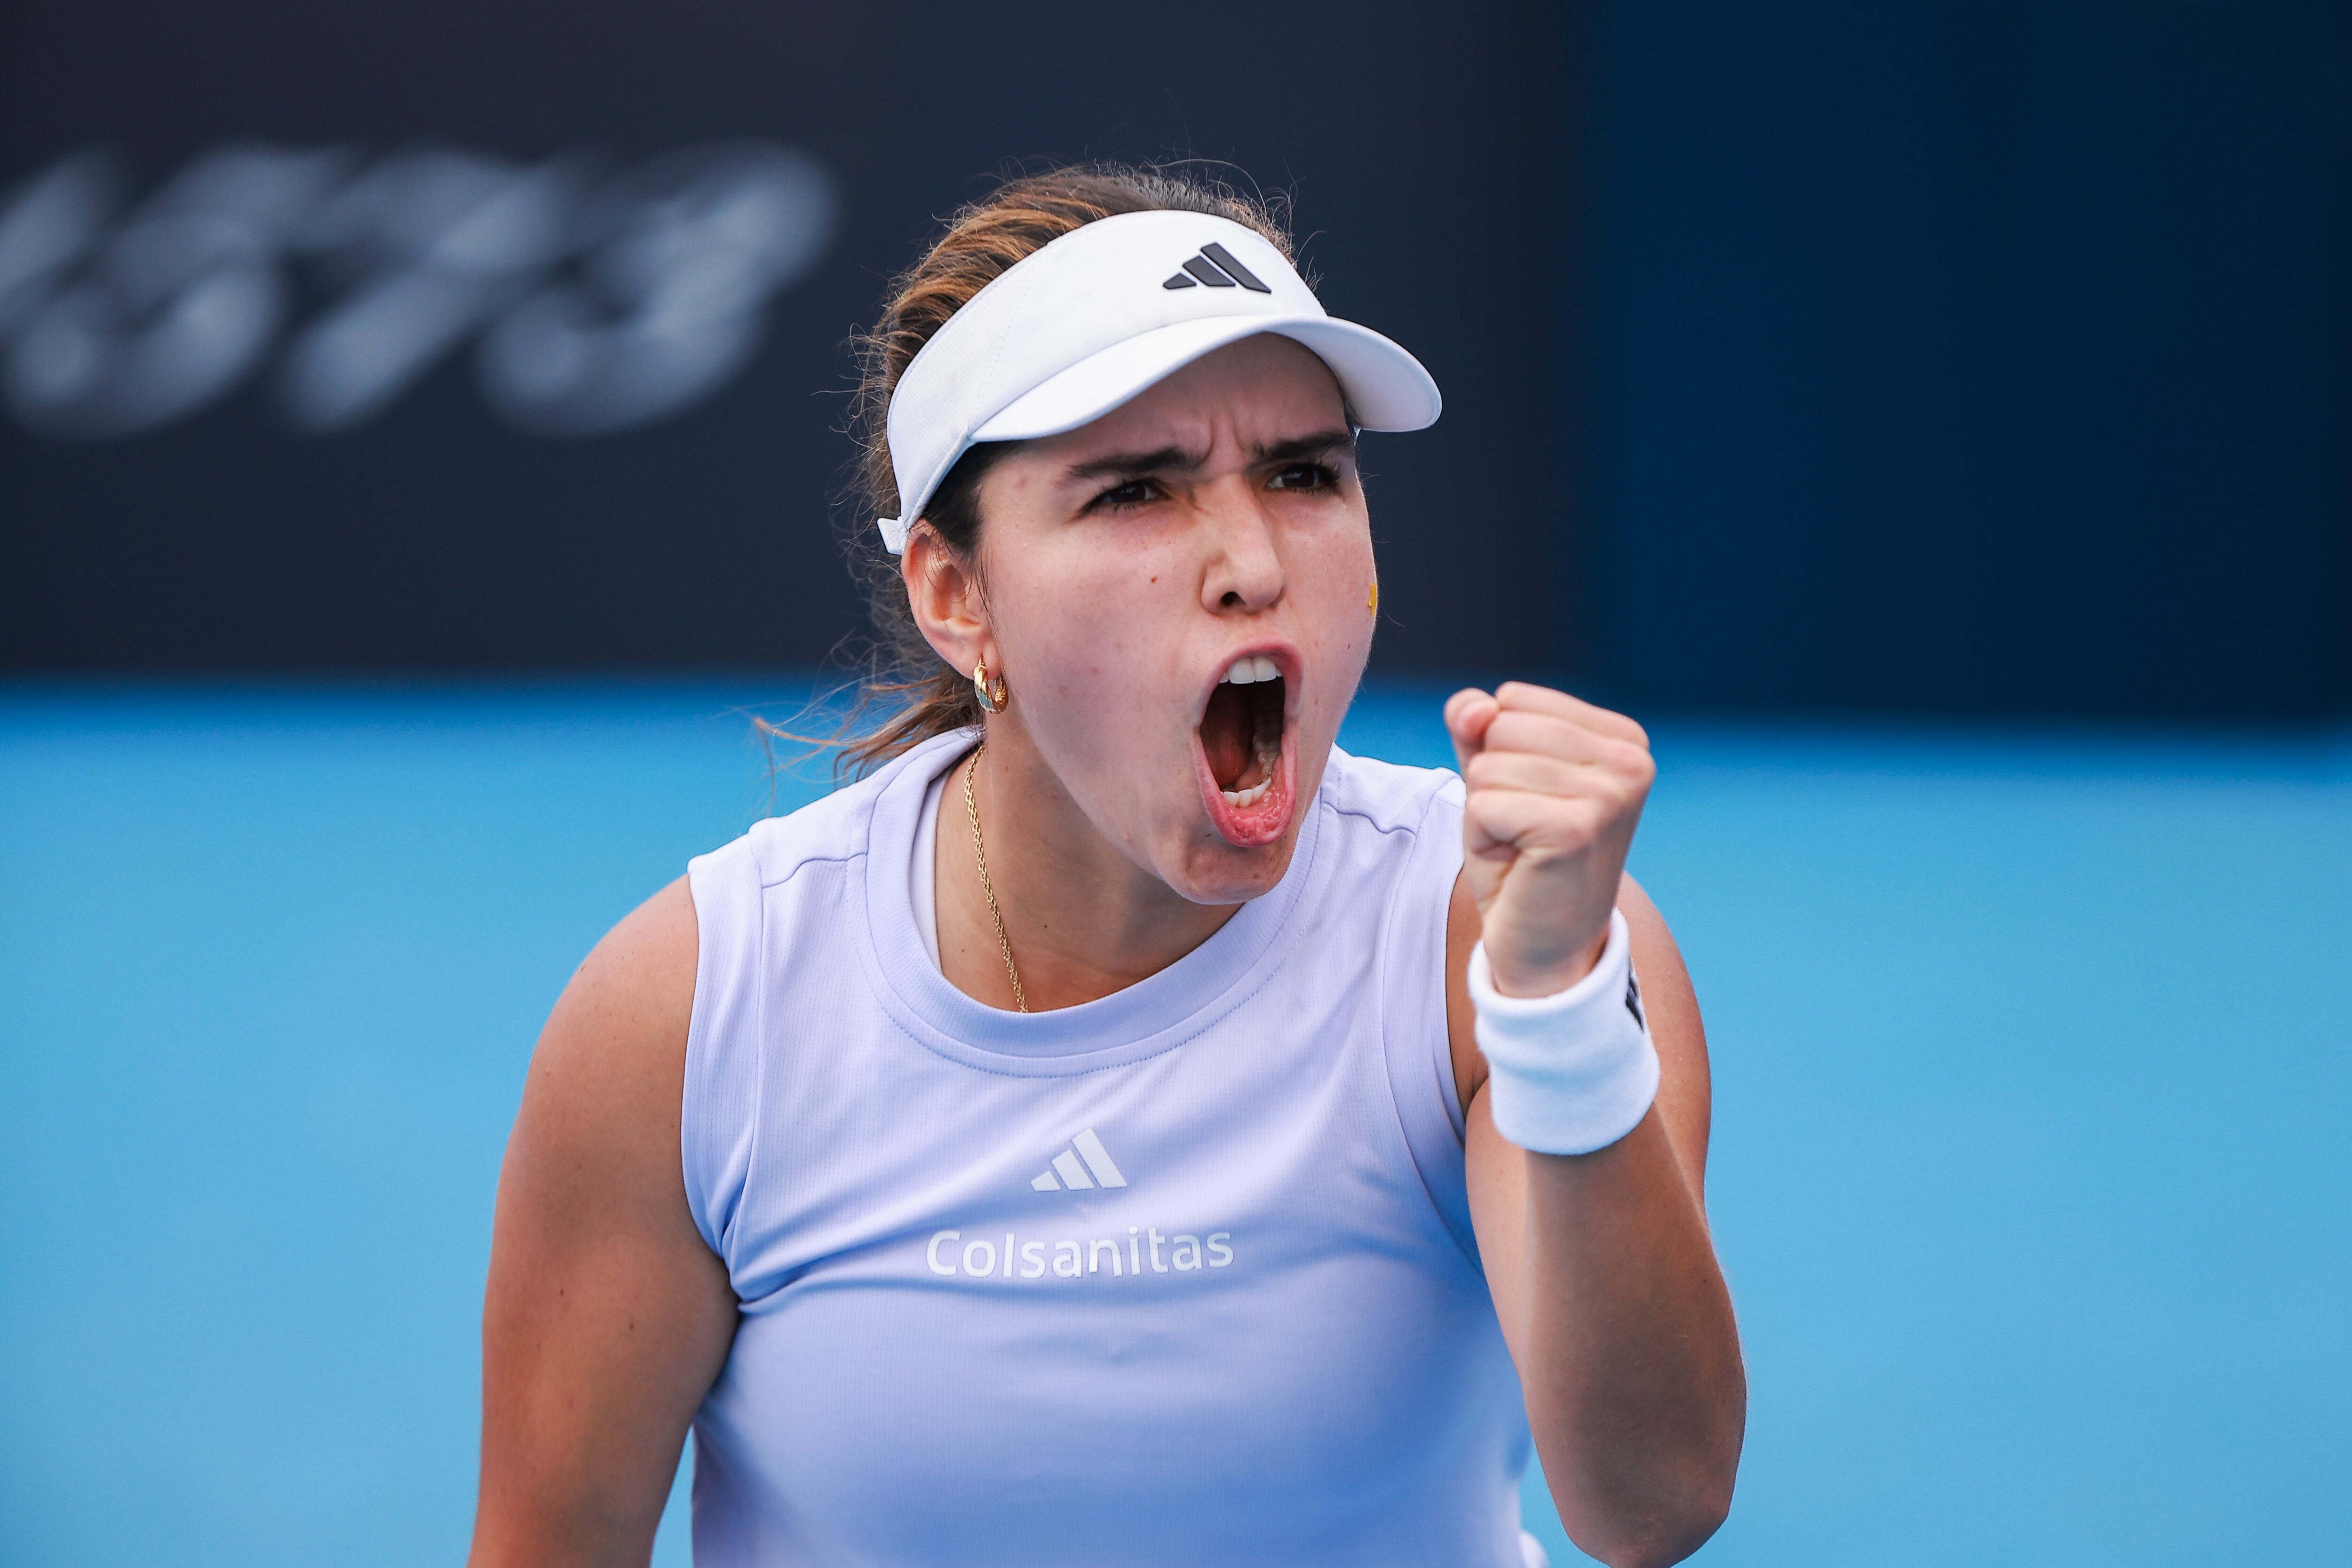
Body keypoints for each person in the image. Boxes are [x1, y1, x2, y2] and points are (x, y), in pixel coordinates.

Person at [467, 165, 1744, 1568]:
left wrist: (1558, 1006)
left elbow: (1654, 1500)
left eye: (1304, 471)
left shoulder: (1503, 948)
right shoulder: (686, 1015)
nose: (1253, 560)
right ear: (958, 595)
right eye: (1137, 491)